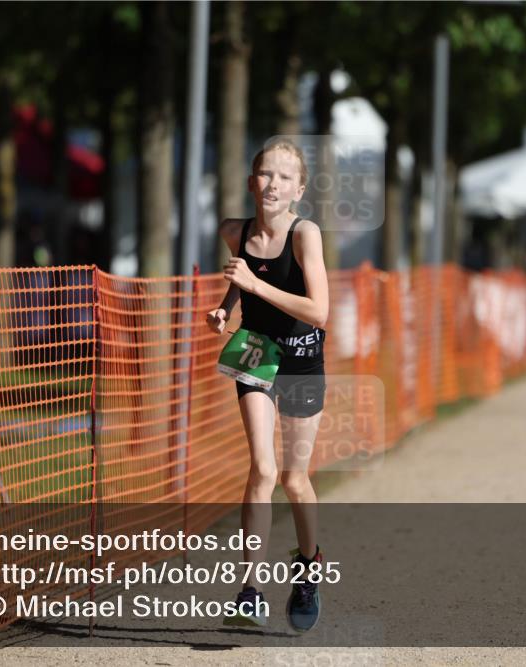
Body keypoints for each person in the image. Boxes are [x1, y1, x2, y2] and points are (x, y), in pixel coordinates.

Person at [206, 140, 328, 632]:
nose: (272, 184)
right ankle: (251, 589)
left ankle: (308, 568)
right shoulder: (232, 230)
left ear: (299, 189)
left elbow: (319, 311)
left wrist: (254, 287)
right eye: (264, 174)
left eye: (283, 177)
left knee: (294, 479)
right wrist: (226, 305)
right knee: (262, 467)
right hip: (256, 350)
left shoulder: (306, 234)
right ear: (251, 181)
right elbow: (243, 274)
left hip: (301, 359)